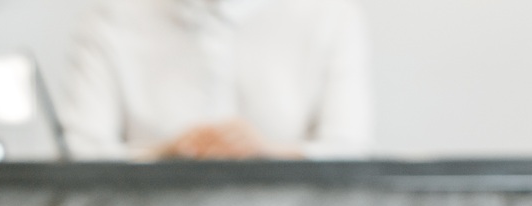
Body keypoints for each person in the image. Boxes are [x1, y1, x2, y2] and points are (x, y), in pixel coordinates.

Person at [58, 0, 372, 160]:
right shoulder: (109, 15)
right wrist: (164, 154)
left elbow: (349, 149)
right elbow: (81, 152)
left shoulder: (329, 12)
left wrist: (269, 154)